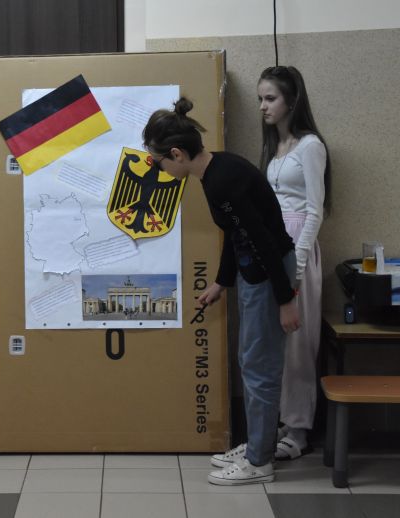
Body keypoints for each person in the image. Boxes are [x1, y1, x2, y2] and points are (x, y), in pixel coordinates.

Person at [143, 98, 298, 485]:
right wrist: (221, 281)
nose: (161, 170)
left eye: (158, 163)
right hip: (254, 272)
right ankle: (258, 445)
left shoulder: (223, 180)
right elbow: (236, 232)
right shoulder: (216, 172)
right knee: (251, 361)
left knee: (259, 368)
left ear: (176, 154)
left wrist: (285, 300)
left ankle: (259, 462)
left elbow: (263, 240)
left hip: (267, 273)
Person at [257, 65, 330, 460]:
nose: (263, 106)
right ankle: (283, 421)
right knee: (277, 342)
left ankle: (300, 430)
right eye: (261, 99)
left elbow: (315, 211)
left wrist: (298, 266)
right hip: (275, 247)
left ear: (291, 100)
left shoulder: (310, 146)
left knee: (299, 341)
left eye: (270, 98)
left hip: (298, 245)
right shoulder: (276, 147)